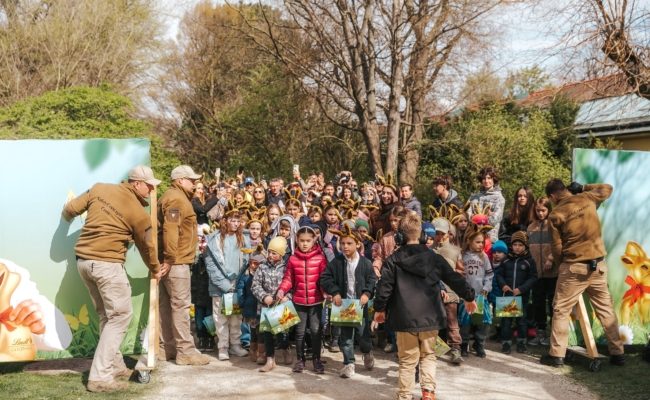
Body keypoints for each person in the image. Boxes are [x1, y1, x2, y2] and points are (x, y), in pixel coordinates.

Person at [62, 165, 162, 392]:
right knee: (120, 316)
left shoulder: (99, 189)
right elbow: (148, 247)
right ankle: (99, 377)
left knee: (107, 316)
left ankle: (115, 365)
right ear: (136, 184)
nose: (151, 191)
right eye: (149, 186)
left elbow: (70, 209)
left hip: (84, 263)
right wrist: (155, 269)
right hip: (107, 265)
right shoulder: (139, 214)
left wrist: (66, 217)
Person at [373, 212, 476, 400]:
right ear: (421, 236)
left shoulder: (393, 260)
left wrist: (379, 310)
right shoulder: (435, 258)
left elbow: (383, 289)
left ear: (400, 237)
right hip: (431, 318)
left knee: (407, 361)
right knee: (428, 356)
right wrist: (469, 297)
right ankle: (428, 393)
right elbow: (454, 279)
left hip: (404, 319)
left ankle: (404, 396)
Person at [540, 179, 625, 367]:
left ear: (553, 196)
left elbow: (557, 247)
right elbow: (608, 188)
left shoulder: (555, 215)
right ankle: (618, 353)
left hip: (574, 267)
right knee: (605, 310)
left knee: (561, 310)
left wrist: (562, 266)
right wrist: (584, 187)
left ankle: (556, 355)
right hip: (599, 266)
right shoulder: (587, 198)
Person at [157, 165, 211, 366]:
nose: (195, 183)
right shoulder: (176, 199)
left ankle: (167, 349)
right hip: (176, 262)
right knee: (180, 306)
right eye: (191, 179)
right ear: (179, 180)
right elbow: (171, 230)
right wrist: (170, 258)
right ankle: (185, 351)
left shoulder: (171, 197)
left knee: (166, 306)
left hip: (169, 260)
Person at [320, 227, 377, 378]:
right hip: (343, 305)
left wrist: (366, 293)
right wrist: (335, 292)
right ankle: (349, 363)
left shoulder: (366, 263)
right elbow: (325, 278)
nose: (345, 246)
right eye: (342, 243)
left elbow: (372, 279)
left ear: (358, 244)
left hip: (360, 305)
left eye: (349, 243)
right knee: (345, 337)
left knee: (363, 334)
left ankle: (367, 351)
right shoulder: (336, 262)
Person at [276, 226, 328, 374]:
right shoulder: (293, 259)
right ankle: (300, 360)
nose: (305, 244)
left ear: (314, 241)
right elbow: (288, 279)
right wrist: (282, 289)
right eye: (301, 241)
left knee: (315, 331)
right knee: (299, 332)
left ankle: (316, 360)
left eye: (308, 241)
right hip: (298, 302)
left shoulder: (320, 258)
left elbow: (324, 279)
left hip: (316, 302)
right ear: (296, 241)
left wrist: (326, 292)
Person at [204, 202, 251, 361]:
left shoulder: (244, 238)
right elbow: (211, 265)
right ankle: (222, 347)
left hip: (236, 286)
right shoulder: (214, 239)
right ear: (225, 220)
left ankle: (235, 345)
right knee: (221, 317)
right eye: (232, 220)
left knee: (236, 317)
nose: (235, 223)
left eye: (238, 221)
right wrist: (225, 284)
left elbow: (246, 261)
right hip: (220, 287)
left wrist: (238, 284)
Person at [251, 237, 291, 371]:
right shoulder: (262, 267)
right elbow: (255, 285)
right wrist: (264, 297)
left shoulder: (286, 268)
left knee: (282, 333)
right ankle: (270, 360)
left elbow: (293, 286)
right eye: (269, 252)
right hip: (266, 306)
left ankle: (285, 349)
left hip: (281, 306)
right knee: (267, 333)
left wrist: (287, 297)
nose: (270, 255)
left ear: (281, 254)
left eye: (274, 253)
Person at [497, 231, 537, 354]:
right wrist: (503, 285)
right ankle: (506, 344)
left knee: (522, 321)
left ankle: (521, 343)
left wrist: (521, 289)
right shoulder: (505, 260)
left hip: (521, 296)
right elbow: (499, 275)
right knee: (506, 321)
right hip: (507, 296)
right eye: (515, 244)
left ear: (525, 246)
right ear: (511, 246)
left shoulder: (529, 261)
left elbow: (533, 278)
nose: (517, 247)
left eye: (520, 245)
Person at [527, 196, 556, 346]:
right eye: (538, 211)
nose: (540, 213)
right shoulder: (530, 227)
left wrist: (551, 259)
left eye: (543, 210)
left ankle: (554, 334)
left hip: (552, 272)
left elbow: (559, 245)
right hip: (536, 273)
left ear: (549, 210)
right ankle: (540, 333)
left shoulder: (554, 225)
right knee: (538, 303)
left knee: (552, 303)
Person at [460, 228, 493, 358]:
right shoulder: (463, 255)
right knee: (466, 321)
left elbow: (489, 275)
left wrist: (486, 288)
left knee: (481, 321)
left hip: (480, 295)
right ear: (469, 241)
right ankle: (464, 344)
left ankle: (479, 344)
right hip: (467, 296)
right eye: (478, 242)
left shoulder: (484, 257)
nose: (481, 245)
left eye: (482, 242)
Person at [467, 166, 505, 243]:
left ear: (494, 179)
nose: (486, 181)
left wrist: (478, 219)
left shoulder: (499, 198)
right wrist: (474, 218)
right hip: (473, 237)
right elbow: (467, 213)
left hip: (489, 239)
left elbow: (495, 219)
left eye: (489, 178)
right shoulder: (474, 196)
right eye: (484, 178)